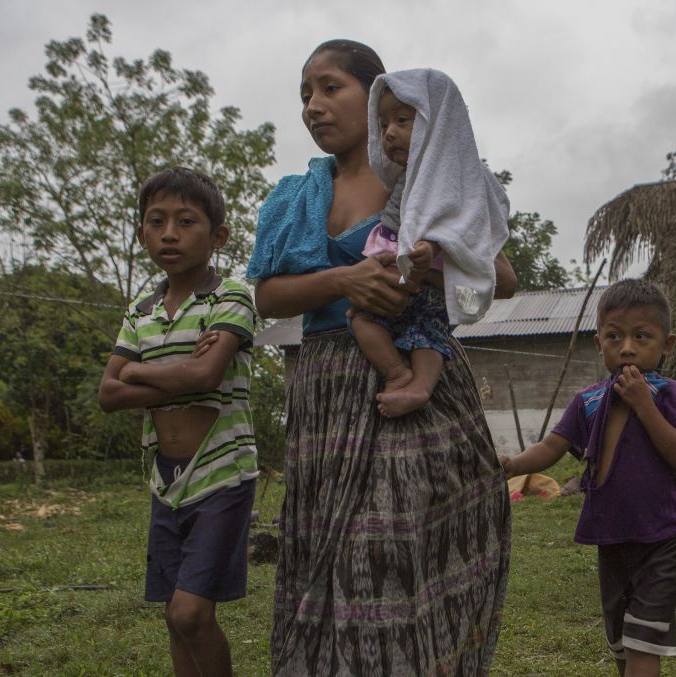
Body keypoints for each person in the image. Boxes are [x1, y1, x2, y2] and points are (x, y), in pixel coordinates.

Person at [247, 39, 516, 675]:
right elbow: (267, 296)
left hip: (418, 377)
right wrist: (345, 282)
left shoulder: (428, 177)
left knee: (399, 549)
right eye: (304, 94)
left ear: (375, 96)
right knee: (333, 556)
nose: (313, 106)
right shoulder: (296, 195)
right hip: (328, 391)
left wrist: (420, 272)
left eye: (329, 87)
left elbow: (500, 277)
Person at [98, 167, 258, 677]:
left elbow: (208, 375)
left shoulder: (231, 296)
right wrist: (179, 371)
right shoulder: (140, 311)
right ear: (142, 232)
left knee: (191, 612)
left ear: (218, 236)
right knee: (173, 615)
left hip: (222, 475)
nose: (170, 233)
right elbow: (108, 392)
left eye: (186, 222)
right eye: (157, 221)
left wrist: (139, 370)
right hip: (165, 482)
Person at [498, 279, 676, 677]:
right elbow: (553, 447)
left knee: (644, 644)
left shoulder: (671, 395)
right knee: (622, 644)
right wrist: (513, 464)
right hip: (611, 538)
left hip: (663, 539)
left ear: (667, 344)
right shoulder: (588, 400)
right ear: (598, 343)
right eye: (614, 336)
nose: (626, 347)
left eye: (641, 336)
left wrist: (644, 405)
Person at [349, 68, 510, 417]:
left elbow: (452, 219)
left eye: (403, 120)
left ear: (437, 122)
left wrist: (430, 250)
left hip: (428, 281)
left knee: (427, 333)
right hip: (397, 278)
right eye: (383, 124)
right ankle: (396, 373)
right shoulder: (404, 178)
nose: (390, 132)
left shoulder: (454, 177)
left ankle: (420, 387)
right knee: (361, 319)